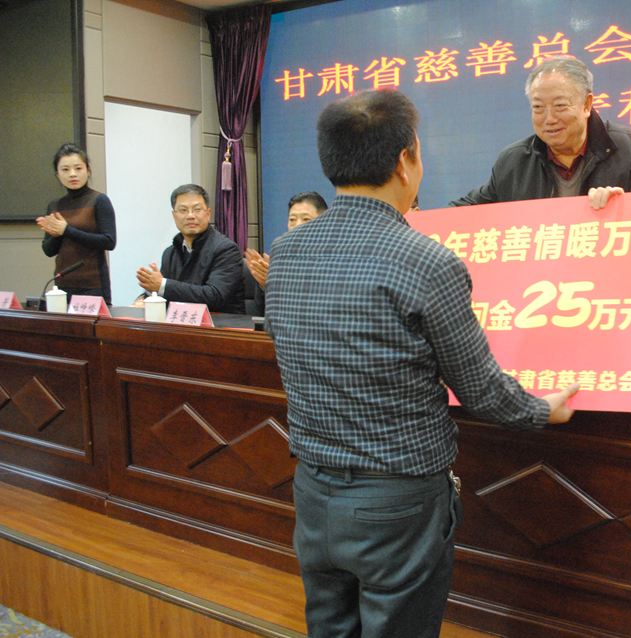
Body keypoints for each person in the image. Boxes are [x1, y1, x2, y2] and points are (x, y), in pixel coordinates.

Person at [265, 89, 579, 638]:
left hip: (313, 490)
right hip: (398, 502)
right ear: (405, 159)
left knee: (329, 628)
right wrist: (540, 410)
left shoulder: (286, 251)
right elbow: (481, 391)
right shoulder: (426, 260)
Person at [451, 56, 631, 210]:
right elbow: (467, 209)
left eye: (560, 106)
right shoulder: (513, 161)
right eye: (538, 107)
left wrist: (623, 203)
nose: (549, 119)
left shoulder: (627, 146)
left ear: (586, 105)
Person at [135, 184, 244, 314]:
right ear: (174, 215)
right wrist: (145, 298)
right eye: (183, 210)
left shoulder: (226, 249)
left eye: (197, 209)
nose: (190, 216)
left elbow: (215, 296)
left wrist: (162, 285)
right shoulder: (170, 253)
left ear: (208, 214)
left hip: (221, 324)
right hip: (181, 322)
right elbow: (165, 292)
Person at [37, 143, 117, 305]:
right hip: (62, 285)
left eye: (78, 168)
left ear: (87, 170)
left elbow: (109, 242)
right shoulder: (54, 205)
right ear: (57, 174)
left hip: (93, 285)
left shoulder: (99, 200)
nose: (72, 174)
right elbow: (48, 250)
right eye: (65, 169)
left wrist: (66, 230)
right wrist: (56, 233)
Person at [244, 191, 328, 290]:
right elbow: (263, 300)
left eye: (306, 219)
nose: (297, 225)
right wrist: (267, 285)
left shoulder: (335, 256)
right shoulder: (280, 252)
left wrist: (281, 284)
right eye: (292, 220)